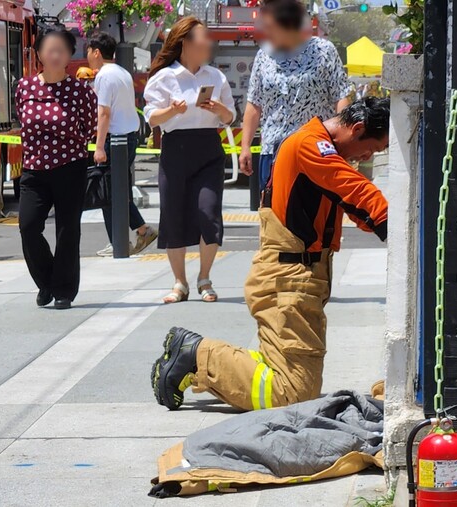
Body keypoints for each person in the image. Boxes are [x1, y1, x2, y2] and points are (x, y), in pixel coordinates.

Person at [151, 98, 390, 411]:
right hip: (288, 281)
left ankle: (202, 357)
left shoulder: (321, 148)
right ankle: (197, 354)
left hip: (298, 281)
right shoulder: (311, 146)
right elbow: (358, 192)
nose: (367, 157)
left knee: (293, 380)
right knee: (293, 394)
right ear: (356, 129)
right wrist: (398, 223)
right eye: (372, 149)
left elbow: (355, 206)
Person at [143, 16, 236, 304]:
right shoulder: (164, 78)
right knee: (174, 214)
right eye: (202, 37)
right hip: (176, 149)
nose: (208, 43)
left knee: (208, 213)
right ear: (185, 43)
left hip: (208, 147)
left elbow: (231, 116)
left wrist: (220, 108)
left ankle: (204, 277)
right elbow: (152, 117)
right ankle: (179, 281)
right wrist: (172, 111)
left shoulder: (215, 76)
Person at [15, 27, 97, 310]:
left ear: (69, 55)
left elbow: (89, 129)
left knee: (67, 230)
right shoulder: (24, 87)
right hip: (33, 169)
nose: (54, 54)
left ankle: (63, 290)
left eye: (61, 49)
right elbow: (22, 120)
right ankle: (46, 281)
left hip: (69, 167)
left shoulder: (81, 91)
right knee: (27, 226)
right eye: (49, 49)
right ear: (38, 53)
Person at [239, 0, 352, 190]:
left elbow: (341, 96)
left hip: (315, 151)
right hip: (273, 151)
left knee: (315, 215)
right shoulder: (263, 56)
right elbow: (254, 103)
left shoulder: (324, 51)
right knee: (273, 215)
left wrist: (344, 142)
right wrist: (245, 147)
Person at [87, 33, 157, 257]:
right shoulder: (122, 72)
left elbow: (104, 113)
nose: (87, 55)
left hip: (114, 140)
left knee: (107, 192)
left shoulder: (104, 77)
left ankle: (120, 240)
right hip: (128, 138)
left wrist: (98, 146)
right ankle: (137, 232)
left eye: (88, 51)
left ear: (96, 52)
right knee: (118, 190)